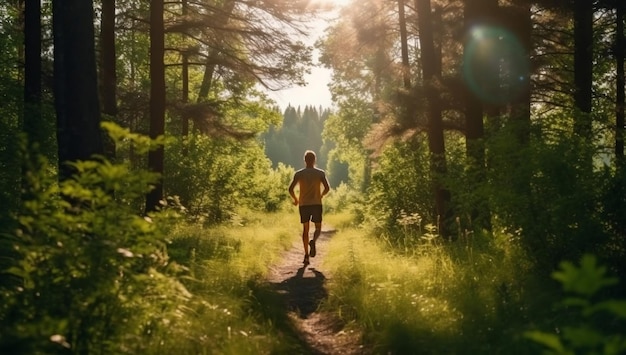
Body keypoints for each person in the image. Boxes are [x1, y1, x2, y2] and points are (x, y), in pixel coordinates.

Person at [288, 150, 330, 265]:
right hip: (316, 203)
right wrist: (321, 195)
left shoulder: (299, 174)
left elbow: (290, 189)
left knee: (305, 230)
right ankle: (313, 241)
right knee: (317, 228)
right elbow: (327, 188)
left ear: (305, 160)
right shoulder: (320, 173)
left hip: (303, 204)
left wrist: (296, 199)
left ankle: (306, 255)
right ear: (314, 160)